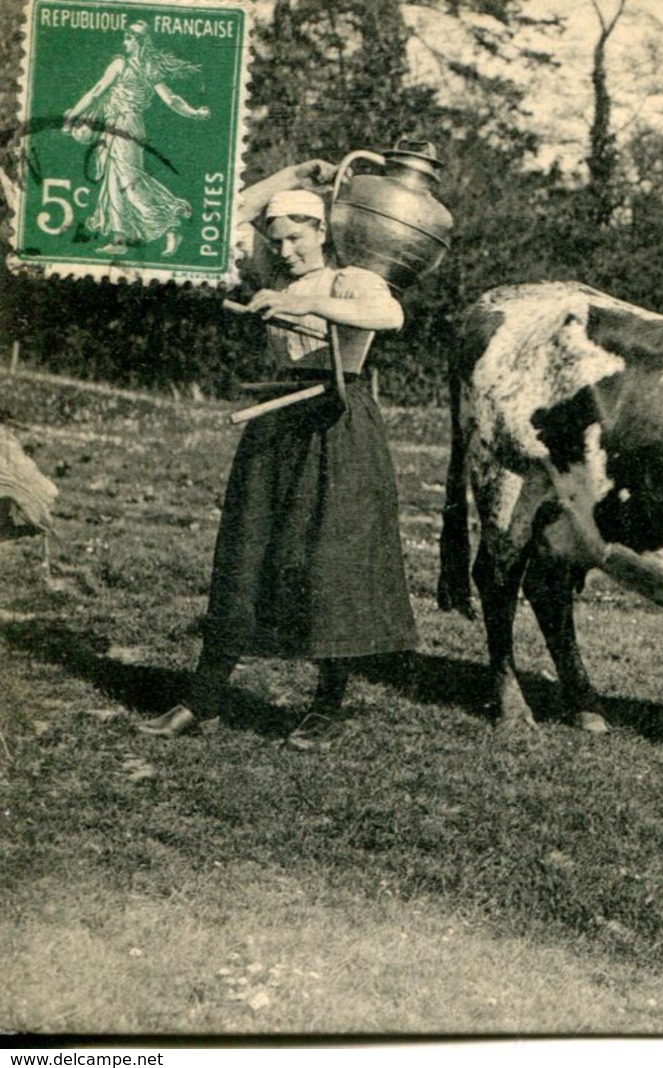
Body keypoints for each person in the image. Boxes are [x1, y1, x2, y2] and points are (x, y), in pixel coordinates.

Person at [138, 160, 416, 750]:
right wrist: (290, 173)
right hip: (276, 425)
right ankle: (203, 698)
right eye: (278, 240)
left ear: (324, 232)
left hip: (337, 425)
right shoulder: (278, 279)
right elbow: (220, 220)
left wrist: (309, 310)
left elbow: (389, 316)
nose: (287, 250)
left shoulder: (351, 279)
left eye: (297, 237)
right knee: (243, 553)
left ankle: (327, 705)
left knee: (330, 563)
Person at [62, 20, 210, 256]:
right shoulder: (149, 68)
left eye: (129, 38)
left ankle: (172, 223)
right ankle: (119, 240)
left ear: (140, 41)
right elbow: (171, 99)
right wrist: (194, 112)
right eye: (125, 37)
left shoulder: (122, 64)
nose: (125, 42)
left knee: (129, 182)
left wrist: (73, 116)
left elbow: (97, 90)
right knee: (114, 182)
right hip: (121, 126)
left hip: (124, 125)